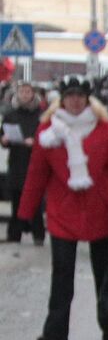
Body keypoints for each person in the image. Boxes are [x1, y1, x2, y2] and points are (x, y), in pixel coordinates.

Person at [19, 75, 108, 340]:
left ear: (87, 99)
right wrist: (24, 214)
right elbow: (36, 175)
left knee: (104, 273)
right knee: (62, 274)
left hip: (100, 212)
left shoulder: (104, 129)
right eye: (69, 96)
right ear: (62, 99)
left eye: (79, 96)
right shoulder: (47, 132)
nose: (74, 101)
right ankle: (56, 332)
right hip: (63, 212)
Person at [3, 80, 45, 244]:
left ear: (33, 94)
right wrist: (5, 140)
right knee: (16, 198)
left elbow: (47, 136)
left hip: (34, 161)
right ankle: (15, 234)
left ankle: (38, 234)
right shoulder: (10, 113)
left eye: (28, 92)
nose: (25, 95)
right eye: (22, 92)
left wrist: (35, 142)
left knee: (35, 199)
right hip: (16, 160)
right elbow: (3, 134)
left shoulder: (40, 115)